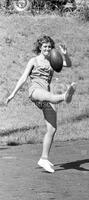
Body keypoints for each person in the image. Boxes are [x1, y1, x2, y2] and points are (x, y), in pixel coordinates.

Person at [6, 35, 76, 173]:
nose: (47, 49)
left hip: (46, 94)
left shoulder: (52, 61)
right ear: (40, 47)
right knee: (51, 97)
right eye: (45, 46)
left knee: (52, 129)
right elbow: (23, 77)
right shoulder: (34, 60)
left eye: (49, 47)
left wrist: (65, 54)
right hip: (35, 91)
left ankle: (44, 158)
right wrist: (13, 93)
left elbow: (68, 64)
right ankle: (65, 96)